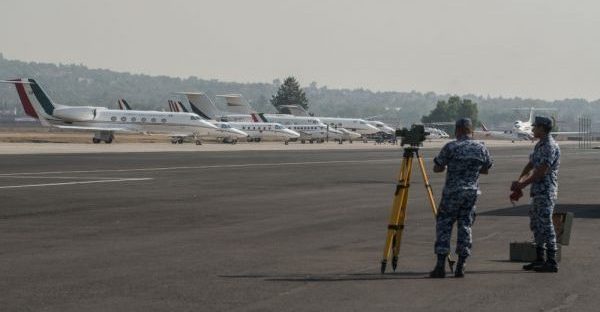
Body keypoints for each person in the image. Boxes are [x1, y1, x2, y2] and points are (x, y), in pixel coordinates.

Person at [430, 118, 493, 278]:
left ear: (457, 130)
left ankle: (440, 265)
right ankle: (461, 265)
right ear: (471, 131)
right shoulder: (481, 148)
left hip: (452, 192)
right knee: (465, 226)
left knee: (444, 225)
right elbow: (486, 169)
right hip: (471, 193)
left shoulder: (451, 147)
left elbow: (438, 168)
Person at [511, 116, 560, 273]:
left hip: (546, 191)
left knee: (546, 224)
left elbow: (541, 171)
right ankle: (540, 259)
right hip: (537, 192)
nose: (533, 129)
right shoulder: (539, 145)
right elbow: (531, 164)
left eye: (535, 127)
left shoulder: (550, 146)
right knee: (536, 225)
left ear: (543, 128)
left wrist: (522, 185)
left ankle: (551, 261)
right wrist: (519, 180)